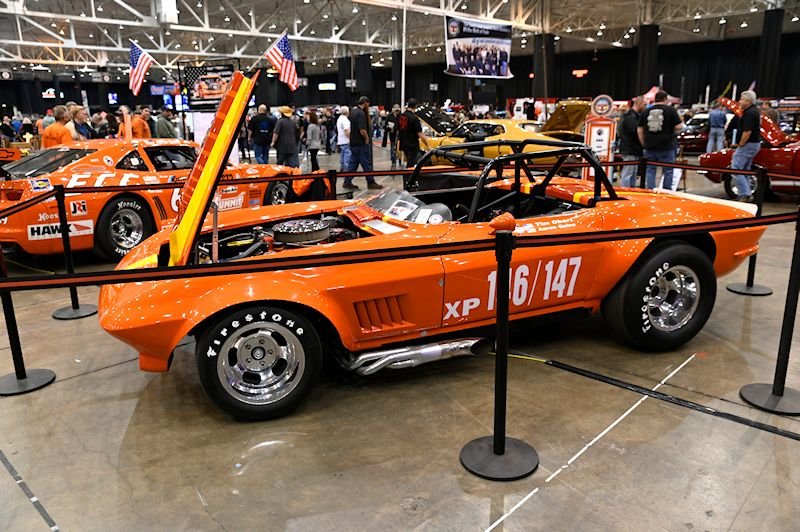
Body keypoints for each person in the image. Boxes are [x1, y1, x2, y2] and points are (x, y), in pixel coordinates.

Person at [637, 90, 683, 189]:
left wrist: (643, 143)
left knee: (650, 170)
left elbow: (640, 129)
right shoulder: (671, 110)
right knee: (668, 171)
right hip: (667, 146)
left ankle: (650, 191)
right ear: (665, 99)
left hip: (650, 146)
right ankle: (666, 192)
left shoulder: (646, 111)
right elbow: (679, 126)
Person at [730, 90, 761, 202]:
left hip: (748, 145)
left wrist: (740, 144)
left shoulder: (749, 113)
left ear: (748, 101)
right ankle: (746, 192)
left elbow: (747, 131)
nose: (739, 101)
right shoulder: (754, 111)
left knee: (735, 168)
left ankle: (745, 194)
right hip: (754, 144)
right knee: (745, 170)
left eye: (742, 99)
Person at [345, 96, 381, 190]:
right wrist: (366, 138)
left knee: (353, 163)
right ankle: (371, 182)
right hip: (361, 143)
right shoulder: (361, 114)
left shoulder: (353, 112)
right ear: (365, 103)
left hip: (353, 142)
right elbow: (362, 129)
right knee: (366, 163)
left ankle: (347, 181)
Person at [617, 96, 645, 187]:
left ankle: (631, 189)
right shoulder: (631, 117)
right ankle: (625, 190)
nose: (645, 107)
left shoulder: (629, 116)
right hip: (630, 148)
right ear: (639, 104)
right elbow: (635, 132)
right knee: (628, 173)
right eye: (644, 104)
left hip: (631, 148)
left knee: (632, 173)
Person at [398, 98, 429, 168]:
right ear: (415, 106)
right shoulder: (414, 118)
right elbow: (420, 134)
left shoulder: (401, 116)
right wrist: (428, 145)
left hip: (403, 143)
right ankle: (409, 175)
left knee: (409, 161)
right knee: (411, 164)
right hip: (412, 144)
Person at [383, 104, 401, 169]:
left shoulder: (401, 116)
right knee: (393, 148)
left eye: (398, 110)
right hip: (392, 135)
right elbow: (385, 125)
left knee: (399, 148)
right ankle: (393, 162)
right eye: (396, 110)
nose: (397, 112)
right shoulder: (389, 116)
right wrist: (389, 128)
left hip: (400, 135)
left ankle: (400, 160)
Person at [336, 105, 351, 172]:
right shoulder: (345, 120)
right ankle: (346, 169)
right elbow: (347, 130)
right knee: (347, 155)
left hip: (341, 140)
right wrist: (350, 139)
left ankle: (342, 167)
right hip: (346, 140)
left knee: (342, 155)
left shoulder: (339, 119)